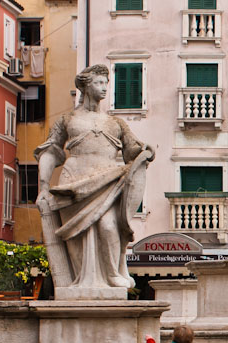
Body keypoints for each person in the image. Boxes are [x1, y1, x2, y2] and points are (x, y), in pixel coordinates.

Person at [34, 64, 154, 292]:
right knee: (77, 235)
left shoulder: (116, 122)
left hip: (108, 182)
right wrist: (43, 187)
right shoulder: (67, 119)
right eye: (99, 83)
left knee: (108, 226)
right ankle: (82, 281)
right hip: (74, 182)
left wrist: (144, 151)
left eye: (106, 84)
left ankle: (111, 275)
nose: (104, 88)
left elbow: (131, 151)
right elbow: (50, 152)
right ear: (85, 87)